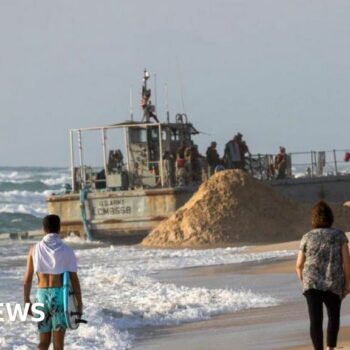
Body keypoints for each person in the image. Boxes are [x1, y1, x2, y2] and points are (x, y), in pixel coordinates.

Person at [296, 201, 350, 350]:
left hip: (311, 282)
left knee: (315, 320)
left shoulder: (306, 236)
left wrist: (304, 282)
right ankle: (330, 348)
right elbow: (347, 261)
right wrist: (347, 285)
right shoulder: (339, 235)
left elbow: (299, 265)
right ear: (330, 217)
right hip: (333, 281)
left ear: (314, 219)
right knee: (333, 317)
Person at [24, 215, 83, 350]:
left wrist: (26, 301)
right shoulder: (67, 250)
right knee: (58, 345)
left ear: (44, 229)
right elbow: (74, 280)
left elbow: (27, 279)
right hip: (59, 297)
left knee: (43, 342)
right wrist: (79, 304)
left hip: (41, 296)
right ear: (59, 228)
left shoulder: (34, 250)